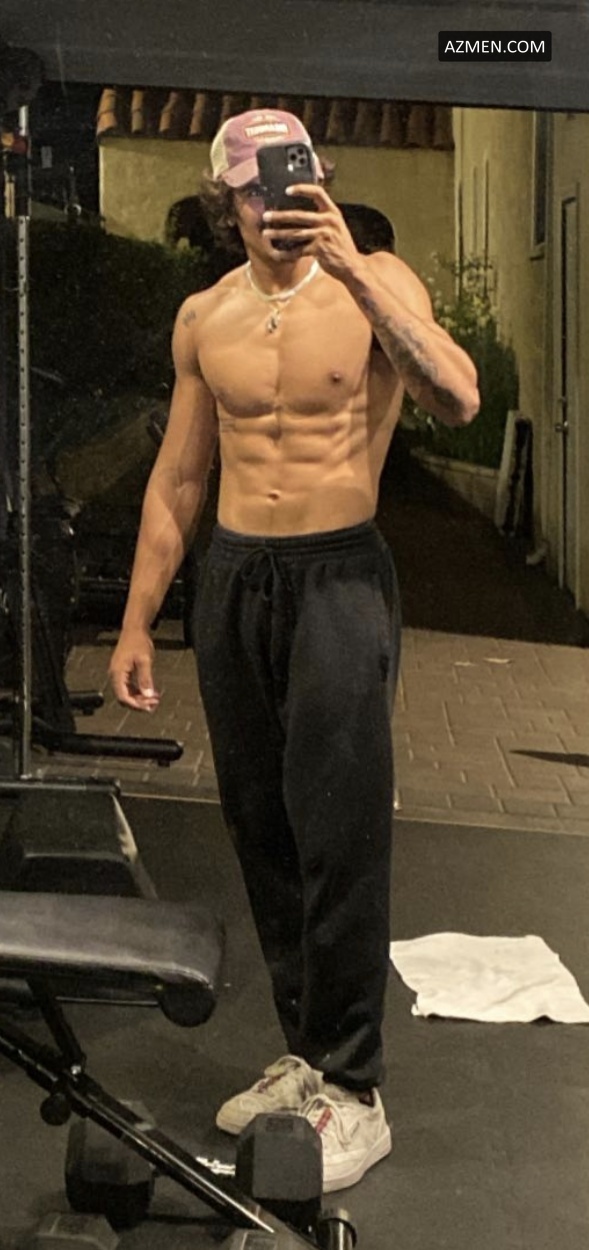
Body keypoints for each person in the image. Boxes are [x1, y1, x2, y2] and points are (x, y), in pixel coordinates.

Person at [109, 108, 480, 1192]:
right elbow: (180, 478)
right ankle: (307, 1056)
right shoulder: (205, 316)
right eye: (256, 189)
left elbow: (457, 397)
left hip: (337, 577)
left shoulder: (377, 283)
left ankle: (354, 1087)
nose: (277, 205)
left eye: (294, 181)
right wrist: (136, 621)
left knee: (338, 828)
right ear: (226, 203)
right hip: (235, 579)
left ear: (320, 180)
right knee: (261, 826)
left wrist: (353, 270)